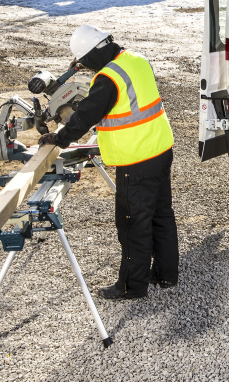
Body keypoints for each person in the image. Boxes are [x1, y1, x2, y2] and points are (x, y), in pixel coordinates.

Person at [39, 24, 179, 300]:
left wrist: (60, 138)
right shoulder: (136, 60)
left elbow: (87, 114)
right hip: (160, 148)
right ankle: (166, 275)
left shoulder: (107, 78)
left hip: (137, 158)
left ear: (92, 55)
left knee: (132, 224)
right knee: (161, 215)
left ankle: (131, 286)